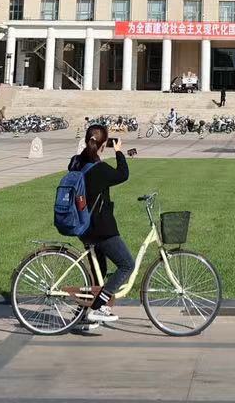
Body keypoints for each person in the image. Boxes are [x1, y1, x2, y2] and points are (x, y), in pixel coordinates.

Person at [69, 123, 134, 326]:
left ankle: (82, 315)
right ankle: (99, 307)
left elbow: (83, 161)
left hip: (83, 227)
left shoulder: (76, 162)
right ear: (103, 145)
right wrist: (119, 151)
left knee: (98, 274)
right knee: (126, 265)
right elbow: (123, 174)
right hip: (101, 229)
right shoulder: (101, 169)